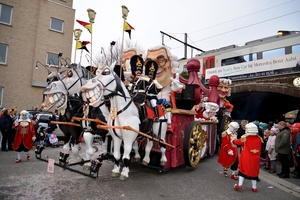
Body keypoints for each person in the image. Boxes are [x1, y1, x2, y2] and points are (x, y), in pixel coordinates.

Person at [232, 123, 263, 192]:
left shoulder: (245, 138)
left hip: (246, 157)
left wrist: (233, 140)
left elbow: (237, 142)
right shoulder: (259, 138)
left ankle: (240, 185)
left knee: (243, 170)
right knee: (254, 171)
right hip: (256, 158)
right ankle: (254, 187)